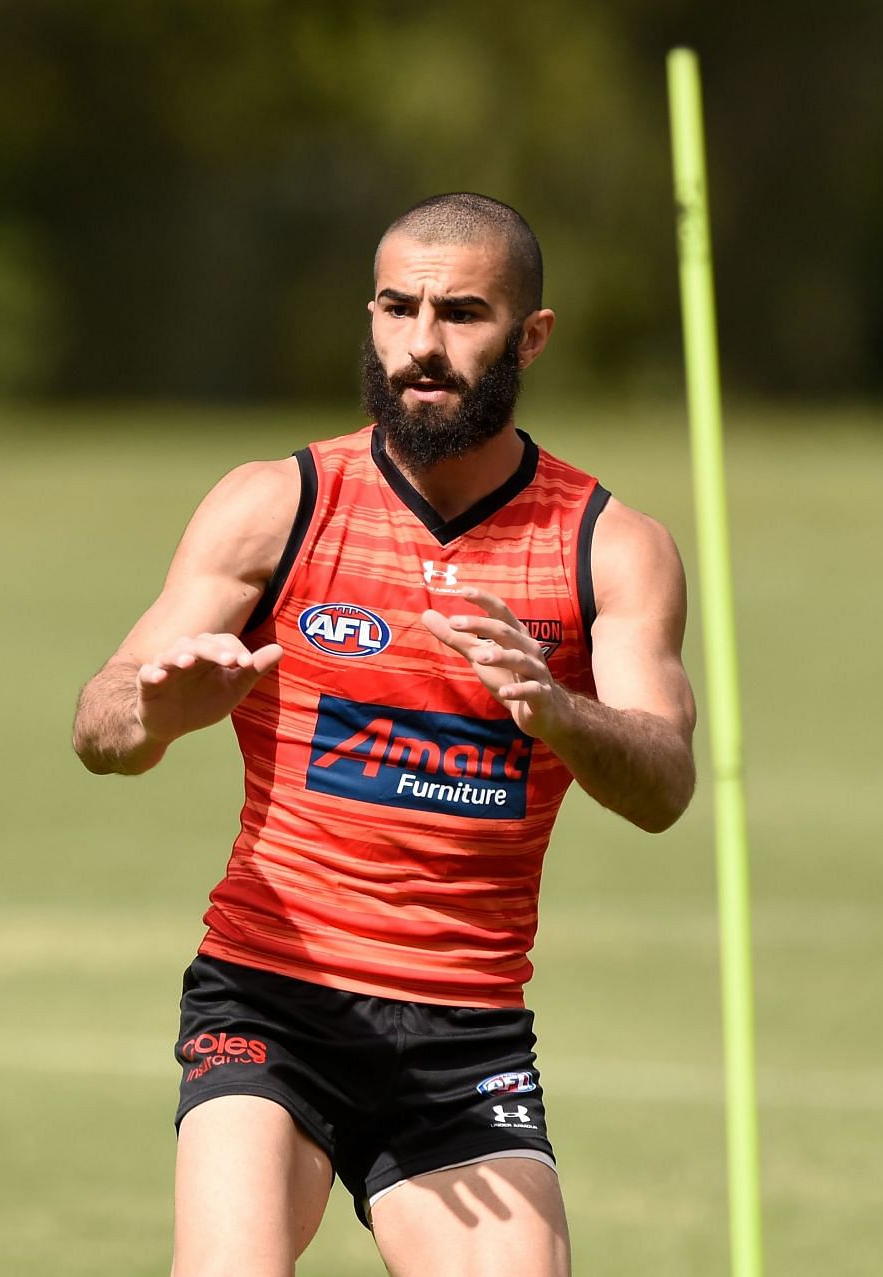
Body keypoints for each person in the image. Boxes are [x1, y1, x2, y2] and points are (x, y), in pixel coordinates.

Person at [72, 192, 697, 1277]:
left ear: (530, 336)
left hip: (467, 1034)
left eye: (461, 313)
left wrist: (561, 710)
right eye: (397, 308)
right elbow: (100, 719)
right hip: (270, 999)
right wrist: (155, 713)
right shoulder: (280, 503)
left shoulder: (608, 546)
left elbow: (665, 783)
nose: (421, 344)